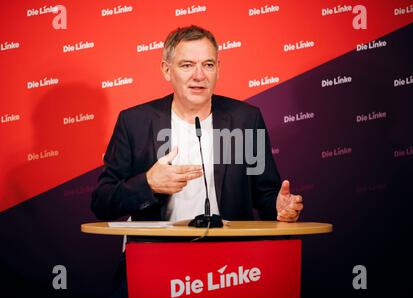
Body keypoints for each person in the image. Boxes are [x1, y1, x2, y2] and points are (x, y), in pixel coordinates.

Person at [91, 25, 303, 225]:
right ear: (166, 70)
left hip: (231, 255)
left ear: (218, 69)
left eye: (208, 65)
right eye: (187, 65)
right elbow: (102, 202)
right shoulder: (134, 123)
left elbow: (265, 194)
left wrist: (279, 207)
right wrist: (149, 183)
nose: (199, 75)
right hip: (157, 253)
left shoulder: (246, 120)